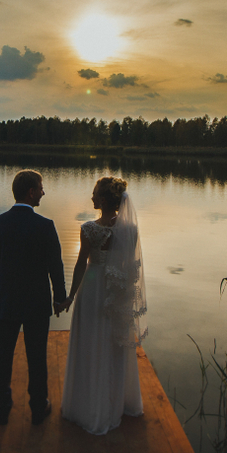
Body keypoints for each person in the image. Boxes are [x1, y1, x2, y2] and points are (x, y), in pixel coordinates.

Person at [58, 176, 147, 435]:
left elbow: (80, 265)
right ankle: (115, 403)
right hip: (116, 292)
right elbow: (129, 266)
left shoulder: (89, 229)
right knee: (114, 345)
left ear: (104, 200)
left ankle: (89, 405)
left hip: (93, 290)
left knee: (90, 344)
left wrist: (70, 296)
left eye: (95, 193)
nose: (92, 197)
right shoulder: (130, 229)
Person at [0, 169, 67, 426]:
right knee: (37, 358)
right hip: (36, 305)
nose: (44, 191)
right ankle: (38, 408)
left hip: (5, 302)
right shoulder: (45, 226)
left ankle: (3, 406)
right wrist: (59, 299)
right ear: (31, 192)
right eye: (41, 187)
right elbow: (56, 267)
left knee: (2, 356)